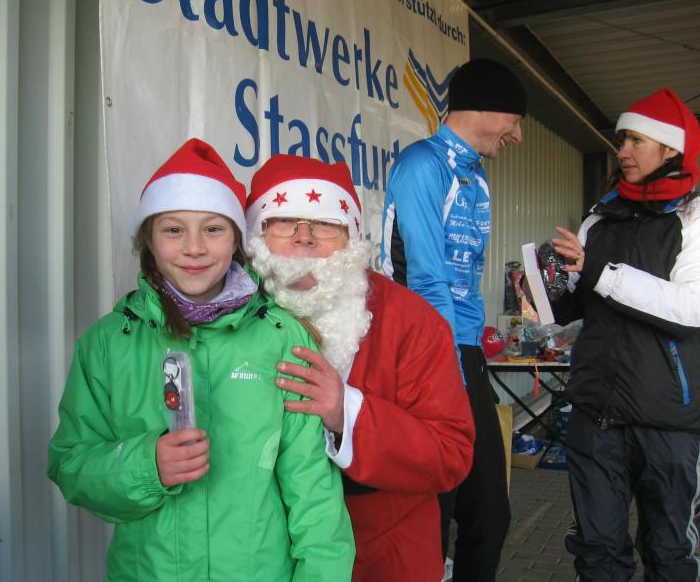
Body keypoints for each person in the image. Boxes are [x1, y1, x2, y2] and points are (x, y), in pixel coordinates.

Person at [47, 139, 355, 581]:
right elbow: (71, 465)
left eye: (213, 229)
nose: (194, 248)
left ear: (237, 240)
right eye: (173, 230)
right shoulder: (108, 343)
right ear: (148, 240)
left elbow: (314, 496)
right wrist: (147, 466)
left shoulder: (282, 338)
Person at [244, 154, 475, 582]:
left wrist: (347, 415)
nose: (304, 238)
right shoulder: (230, 319)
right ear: (256, 235)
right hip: (261, 559)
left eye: (325, 224)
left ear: (351, 235)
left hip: (385, 560)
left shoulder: (413, 321)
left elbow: (451, 453)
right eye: (284, 222)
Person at [381, 57, 527, 580]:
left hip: (463, 349)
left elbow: (465, 277)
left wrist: (471, 352)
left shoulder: (476, 176)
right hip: (423, 350)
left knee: (489, 510)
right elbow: (424, 279)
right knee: (434, 511)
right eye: (514, 120)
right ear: (486, 108)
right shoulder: (423, 164)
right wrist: (447, 365)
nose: (517, 135)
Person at [549, 88, 700, 580]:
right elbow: (579, 301)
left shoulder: (693, 217)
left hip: (668, 422)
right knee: (597, 554)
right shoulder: (600, 215)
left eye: (636, 140)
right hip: (595, 413)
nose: (623, 151)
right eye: (621, 140)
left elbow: (690, 307)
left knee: (669, 554)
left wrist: (599, 272)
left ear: (670, 149)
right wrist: (550, 284)